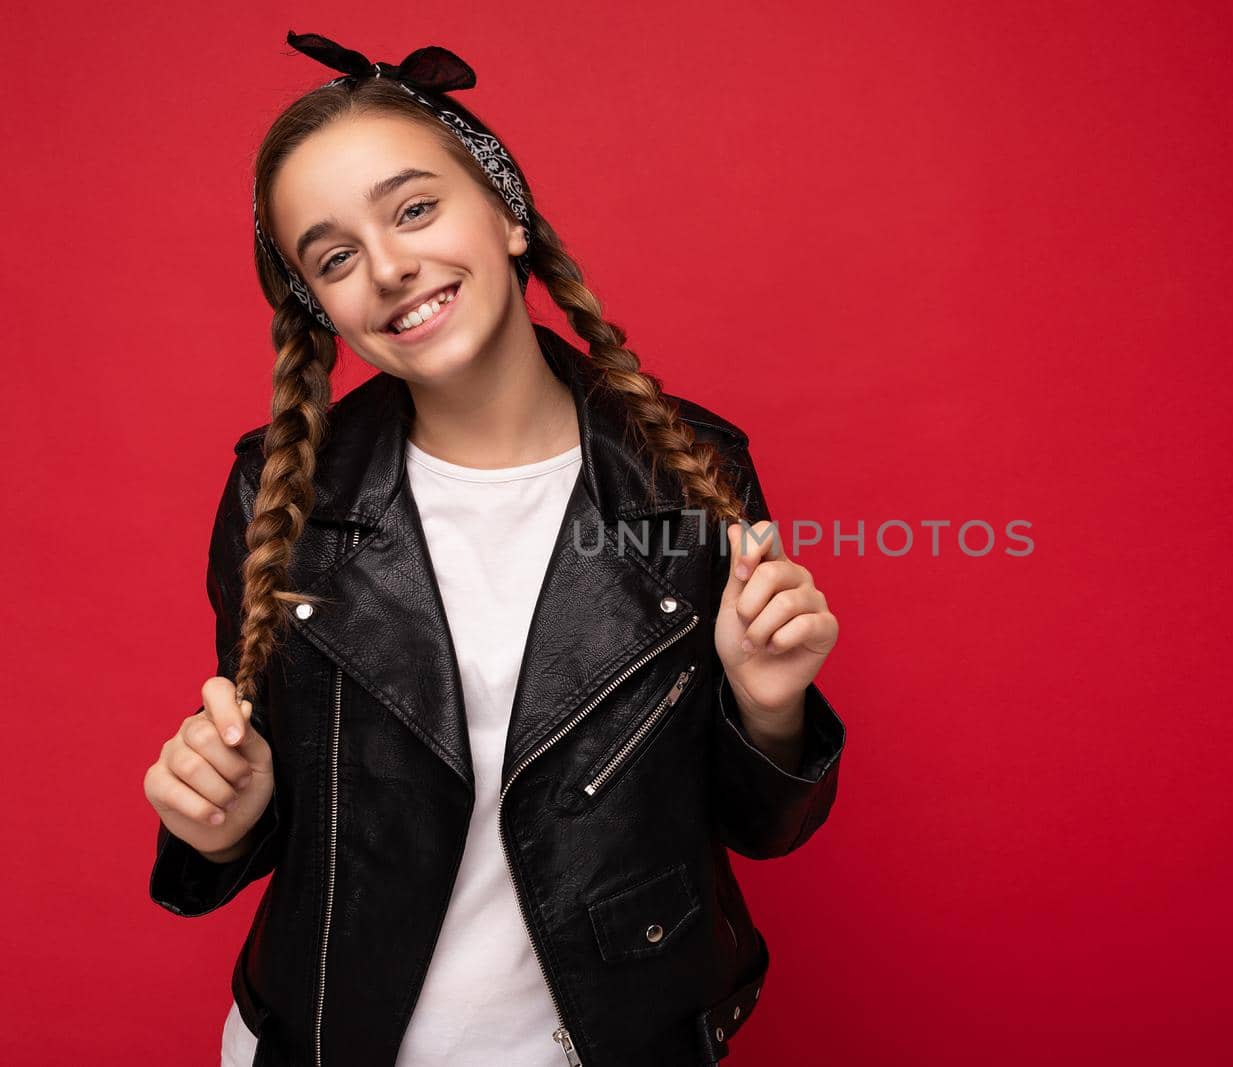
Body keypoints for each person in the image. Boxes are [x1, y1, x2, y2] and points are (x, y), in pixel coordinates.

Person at [141, 31, 847, 1067]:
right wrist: (225, 820)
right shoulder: (278, 495)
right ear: (318, 305)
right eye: (334, 256)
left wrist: (770, 704)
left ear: (508, 214)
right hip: (329, 1039)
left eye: (415, 207)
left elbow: (757, 827)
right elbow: (282, 802)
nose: (389, 267)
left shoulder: (690, 470)